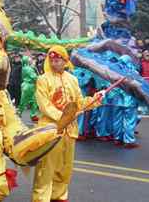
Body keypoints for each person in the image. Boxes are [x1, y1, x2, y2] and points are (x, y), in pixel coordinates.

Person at [32, 46, 104, 202]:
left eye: (58, 59)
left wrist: (94, 99)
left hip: (70, 130)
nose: (54, 62)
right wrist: (63, 117)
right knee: (47, 167)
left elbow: (79, 103)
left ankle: (59, 196)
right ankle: (41, 198)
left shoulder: (72, 79)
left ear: (65, 61)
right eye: (52, 59)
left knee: (65, 166)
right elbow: (45, 105)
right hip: (51, 129)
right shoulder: (43, 80)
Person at [18, 55, 39, 121]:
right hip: (28, 86)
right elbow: (34, 77)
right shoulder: (28, 68)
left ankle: (33, 115)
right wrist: (41, 78)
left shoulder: (26, 67)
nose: (31, 59)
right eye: (29, 59)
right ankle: (19, 112)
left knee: (34, 101)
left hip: (30, 86)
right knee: (24, 101)